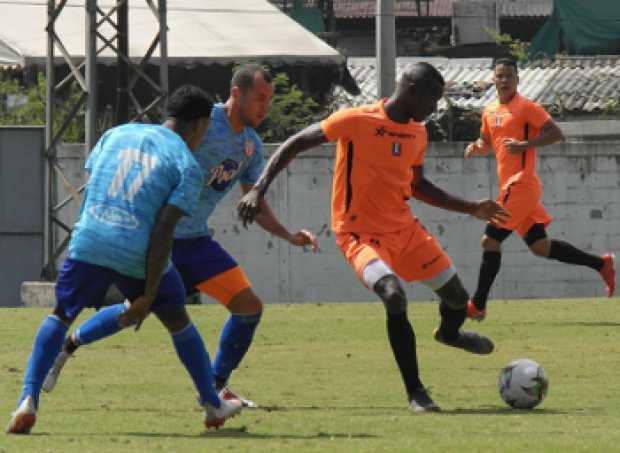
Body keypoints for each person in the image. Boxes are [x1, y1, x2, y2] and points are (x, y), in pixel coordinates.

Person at [41, 64, 318, 408]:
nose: (266, 106)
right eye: (260, 98)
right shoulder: (200, 119)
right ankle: (69, 347)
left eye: (269, 99)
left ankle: (215, 387)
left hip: (197, 242)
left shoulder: (250, 146)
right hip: (159, 238)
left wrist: (289, 236)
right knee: (131, 311)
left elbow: (253, 203)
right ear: (236, 94)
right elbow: (154, 150)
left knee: (248, 308)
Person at [237, 62, 509, 412]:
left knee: (457, 299)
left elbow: (417, 185)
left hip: (406, 230)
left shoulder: (418, 133)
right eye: (432, 100)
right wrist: (257, 190)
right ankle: (416, 393)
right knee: (394, 296)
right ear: (411, 91)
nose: (435, 109)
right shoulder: (357, 119)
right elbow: (294, 143)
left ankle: (449, 334)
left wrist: (471, 207)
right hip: (358, 233)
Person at [6, 85, 243, 435]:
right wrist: (147, 294)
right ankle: (211, 403)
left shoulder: (115, 134)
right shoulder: (187, 165)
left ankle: (27, 398)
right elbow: (164, 230)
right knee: (177, 316)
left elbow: (93, 187)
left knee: (61, 313)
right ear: (200, 126)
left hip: (89, 238)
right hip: (137, 247)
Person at [464, 58, 615, 321]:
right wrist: (477, 147)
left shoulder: (526, 107)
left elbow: (556, 133)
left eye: (509, 76)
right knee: (540, 247)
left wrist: (525, 145)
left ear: (517, 79)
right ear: (493, 79)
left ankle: (477, 305)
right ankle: (601, 264)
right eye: (499, 76)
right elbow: (488, 142)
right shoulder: (489, 111)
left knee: (490, 240)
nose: (504, 81)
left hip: (521, 183)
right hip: (514, 190)